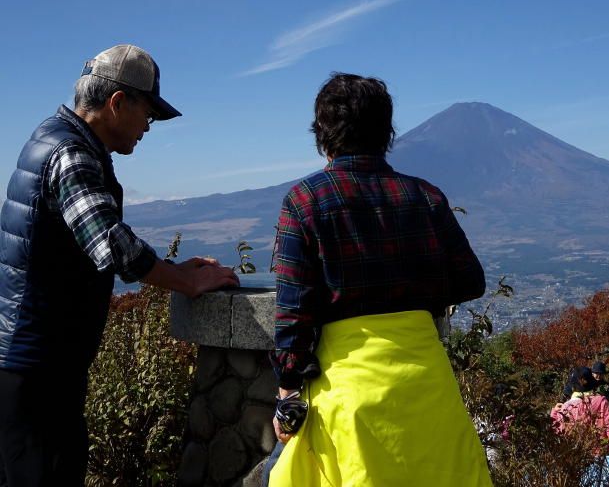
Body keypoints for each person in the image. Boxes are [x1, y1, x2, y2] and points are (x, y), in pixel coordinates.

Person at [0, 45, 240, 487]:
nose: (148, 126)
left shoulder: (53, 138)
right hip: (37, 366)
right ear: (117, 103)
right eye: (148, 113)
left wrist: (175, 269)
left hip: (32, 362)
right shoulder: (71, 154)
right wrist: (186, 282)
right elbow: (113, 247)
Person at [267, 73, 491, 486]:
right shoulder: (425, 196)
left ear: (322, 134)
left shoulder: (304, 201)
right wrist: (413, 293)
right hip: (429, 387)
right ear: (387, 132)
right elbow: (470, 280)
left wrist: (288, 393)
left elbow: (293, 312)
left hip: (349, 394)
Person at [550, 366, 609, 440]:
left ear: (573, 387)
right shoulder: (602, 401)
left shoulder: (565, 407)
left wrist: (555, 412)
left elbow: (557, 429)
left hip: (576, 446)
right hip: (599, 444)